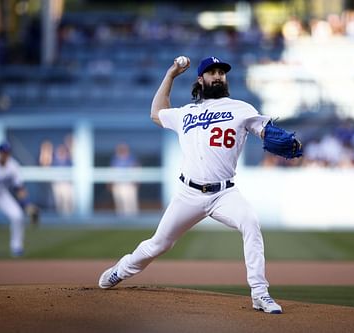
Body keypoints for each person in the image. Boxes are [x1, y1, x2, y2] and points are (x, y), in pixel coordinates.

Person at [99, 56, 285, 314]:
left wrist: (274, 135)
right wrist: (170, 75)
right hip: (188, 194)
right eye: (212, 72)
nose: (218, 76)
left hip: (225, 194)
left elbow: (267, 131)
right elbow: (156, 113)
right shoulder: (186, 112)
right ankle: (121, 269)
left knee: (250, 222)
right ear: (201, 79)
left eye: (221, 72)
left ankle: (260, 293)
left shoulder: (242, 108)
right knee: (159, 244)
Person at [109, 143, 139, 215]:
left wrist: (136, 181)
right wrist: (110, 183)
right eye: (120, 149)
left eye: (123, 148)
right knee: (120, 204)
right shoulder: (115, 159)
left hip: (129, 184)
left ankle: (133, 220)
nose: (122, 150)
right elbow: (112, 172)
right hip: (118, 184)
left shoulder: (131, 158)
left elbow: (135, 170)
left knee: (130, 203)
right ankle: (121, 220)